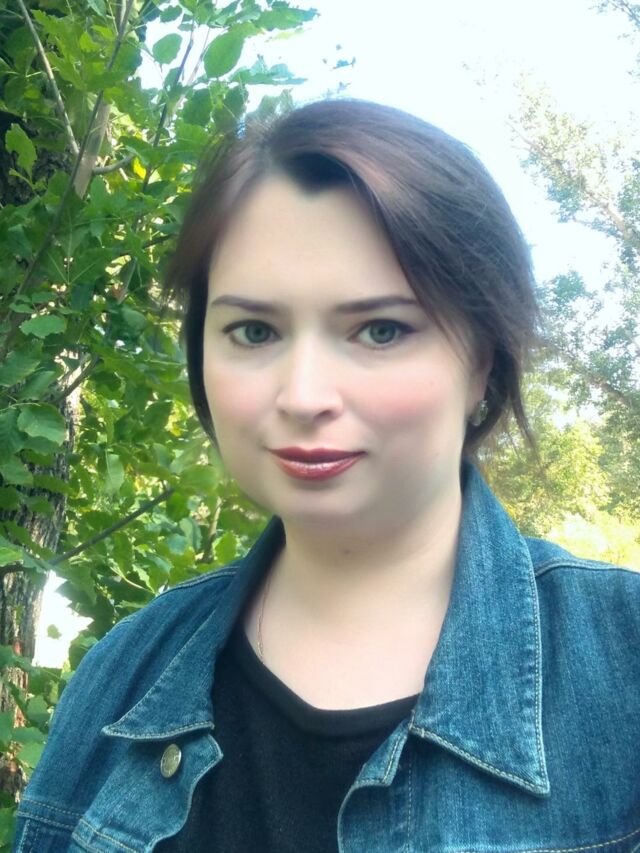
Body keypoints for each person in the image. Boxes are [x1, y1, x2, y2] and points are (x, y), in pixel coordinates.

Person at [12, 99, 640, 853]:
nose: (304, 396)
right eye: (254, 331)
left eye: (380, 330)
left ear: (482, 360)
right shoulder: (122, 677)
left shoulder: (622, 659)